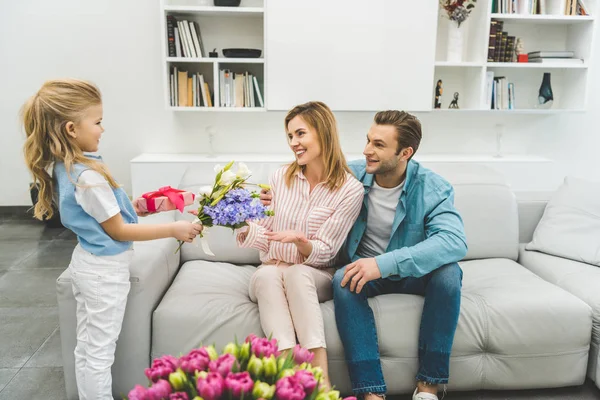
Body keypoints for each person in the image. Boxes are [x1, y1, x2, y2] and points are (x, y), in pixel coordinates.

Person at [261, 110, 467, 400]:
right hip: (362, 271)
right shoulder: (351, 176)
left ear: (405, 152)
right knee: (344, 279)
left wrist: (383, 264)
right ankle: (371, 392)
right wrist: (274, 196)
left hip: (411, 271)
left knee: (449, 274)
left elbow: (454, 241)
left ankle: (428, 387)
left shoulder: (433, 188)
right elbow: (306, 180)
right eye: (368, 140)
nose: (367, 150)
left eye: (379, 145)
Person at [21, 79, 202, 400]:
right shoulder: (88, 176)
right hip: (104, 275)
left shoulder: (73, 167)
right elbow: (117, 231)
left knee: (87, 349)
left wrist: (140, 208)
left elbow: (105, 215)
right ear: (71, 129)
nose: (103, 129)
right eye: (98, 121)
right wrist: (173, 229)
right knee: (99, 354)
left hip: (88, 265)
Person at [236, 101, 363, 388]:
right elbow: (265, 229)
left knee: (295, 272)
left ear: (323, 132)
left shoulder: (350, 189)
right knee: (269, 274)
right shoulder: (280, 178)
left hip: (314, 274)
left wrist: (301, 242)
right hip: (272, 269)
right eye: (290, 136)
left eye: (301, 134)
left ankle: (321, 381)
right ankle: (289, 376)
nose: (294, 143)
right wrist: (242, 223)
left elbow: (328, 250)